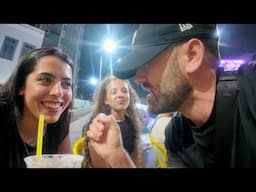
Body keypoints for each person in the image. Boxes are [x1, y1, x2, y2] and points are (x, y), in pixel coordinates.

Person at [86, 24, 256, 168]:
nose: (138, 79)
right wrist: (117, 156)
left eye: (147, 62)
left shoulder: (250, 92)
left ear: (193, 55)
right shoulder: (176, 135)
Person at [0, 47, 74, 168]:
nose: (59, 92)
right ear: (21, 86)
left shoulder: (60, 125)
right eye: (45, 80)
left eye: (66, 84)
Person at [81, 76, 142, 168]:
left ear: (130, 96)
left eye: (125, 91)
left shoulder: (132, 123)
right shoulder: (99, 126)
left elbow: (136, 156)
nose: (120, 95)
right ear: (105, 100)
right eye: (114, 92)